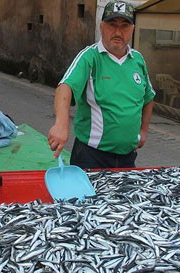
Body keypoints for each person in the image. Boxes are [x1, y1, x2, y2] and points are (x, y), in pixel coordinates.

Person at [48, 0, 155, 169]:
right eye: (112, 25)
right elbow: (65, 87)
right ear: (101, 26)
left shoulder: (138, 60)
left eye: (124, 26)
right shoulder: (90, 57)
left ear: (132, 29)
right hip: (91, 157)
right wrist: (61, 123)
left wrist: (144, 131)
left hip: (128, 158)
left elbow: (149, 96)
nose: (118, 32)